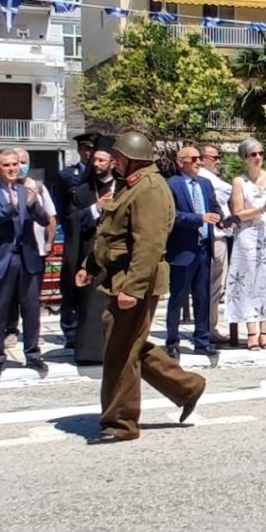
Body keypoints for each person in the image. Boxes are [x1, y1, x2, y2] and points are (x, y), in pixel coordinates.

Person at [80, 131, 206, 443]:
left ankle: (121, 424)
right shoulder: (130, 185)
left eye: (120, 157)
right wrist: (90, 265)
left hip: (135, 281)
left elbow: (149, 245)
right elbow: (113, 233)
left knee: (120, 353)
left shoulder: (149, 188)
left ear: (134, 158)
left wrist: (133, 289)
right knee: (126, 345)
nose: (115, 162)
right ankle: (186, 386)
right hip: (120, 277)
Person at [0, 146, 54, 384]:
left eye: (15, 164)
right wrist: (11, 207)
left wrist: (33, 204)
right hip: (0, 259)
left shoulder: (26, 191)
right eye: (7, 165)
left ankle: (32, 354)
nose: (12, 169)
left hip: (27, 258)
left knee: (31, 310)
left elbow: (44, 219)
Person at [224, 138, 266, 349]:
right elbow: (237, 213)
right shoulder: (239, 182)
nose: (258, 158)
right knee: (247, 283)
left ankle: (265, 332)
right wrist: (261, 210)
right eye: (253, 154)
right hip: (248, 236)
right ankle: (251, 332)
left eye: (261, 153)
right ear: (245, 158)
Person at [164, 143, 222, 361]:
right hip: (182, 250)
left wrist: (220, 218)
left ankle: (202, 341)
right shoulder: (172, 184)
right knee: (178, 298)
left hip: (204, 248)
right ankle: (172, 342)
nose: (199, 162)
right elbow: (172, 215)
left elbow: (214, 208)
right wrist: (199, 218)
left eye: (200, 158)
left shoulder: (205, 184)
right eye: (194, 159)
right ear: (181, 162)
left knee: (203, 297)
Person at [56, 133, 114, 342]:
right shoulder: (83, 189)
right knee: (87, 303)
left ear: (113, 162)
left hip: (116, 256)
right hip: (88, 253)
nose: (96, 163)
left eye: (101, 160)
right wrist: (95, 208)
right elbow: (70, 218)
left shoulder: (123, 188)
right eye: (94, 160)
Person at [197, 143, 237, 346]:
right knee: (214, 284)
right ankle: (208, 328)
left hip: (221, 234)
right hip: (215, 234)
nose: (218, 161)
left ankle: (208, 327)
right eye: (215, 157)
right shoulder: (205, 178)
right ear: (203, 158)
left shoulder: (208, 178)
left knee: (215, 284)